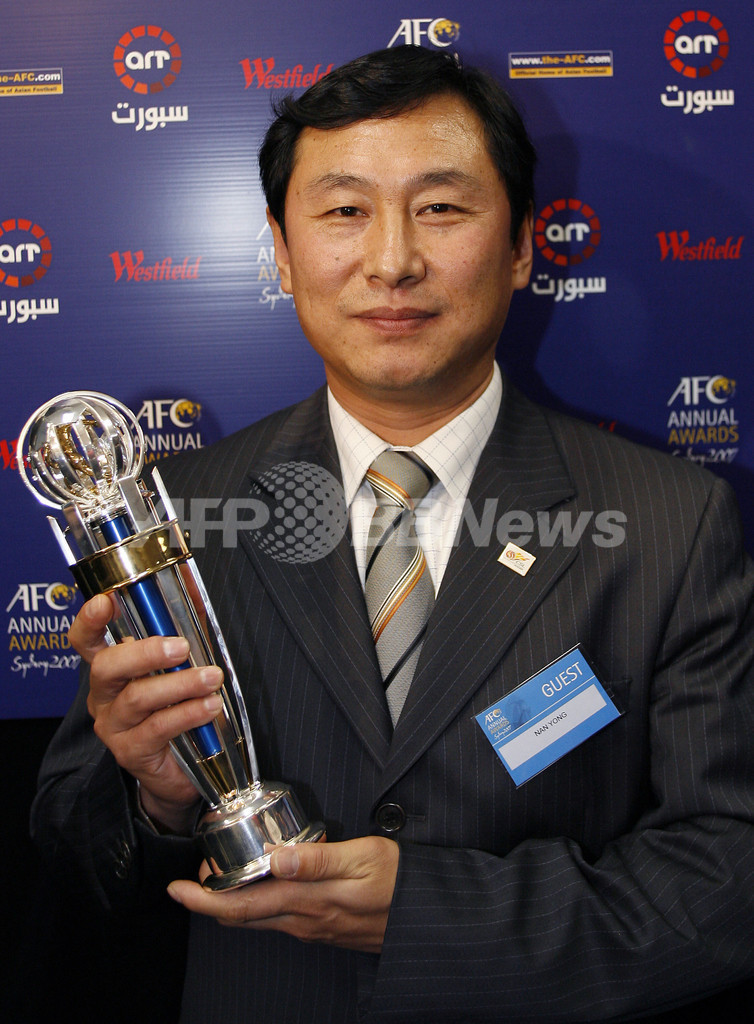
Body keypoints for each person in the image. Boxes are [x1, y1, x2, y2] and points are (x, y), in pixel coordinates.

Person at [32, 46, 754, 1023]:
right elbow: (75, 861)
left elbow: (729, 871)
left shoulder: (671, 520)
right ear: (282, 253)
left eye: (440, 207)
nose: (391, 261)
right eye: (343, 211)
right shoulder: (174, 515)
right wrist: (156, 794)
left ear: (521, 245)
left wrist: (429, 916)